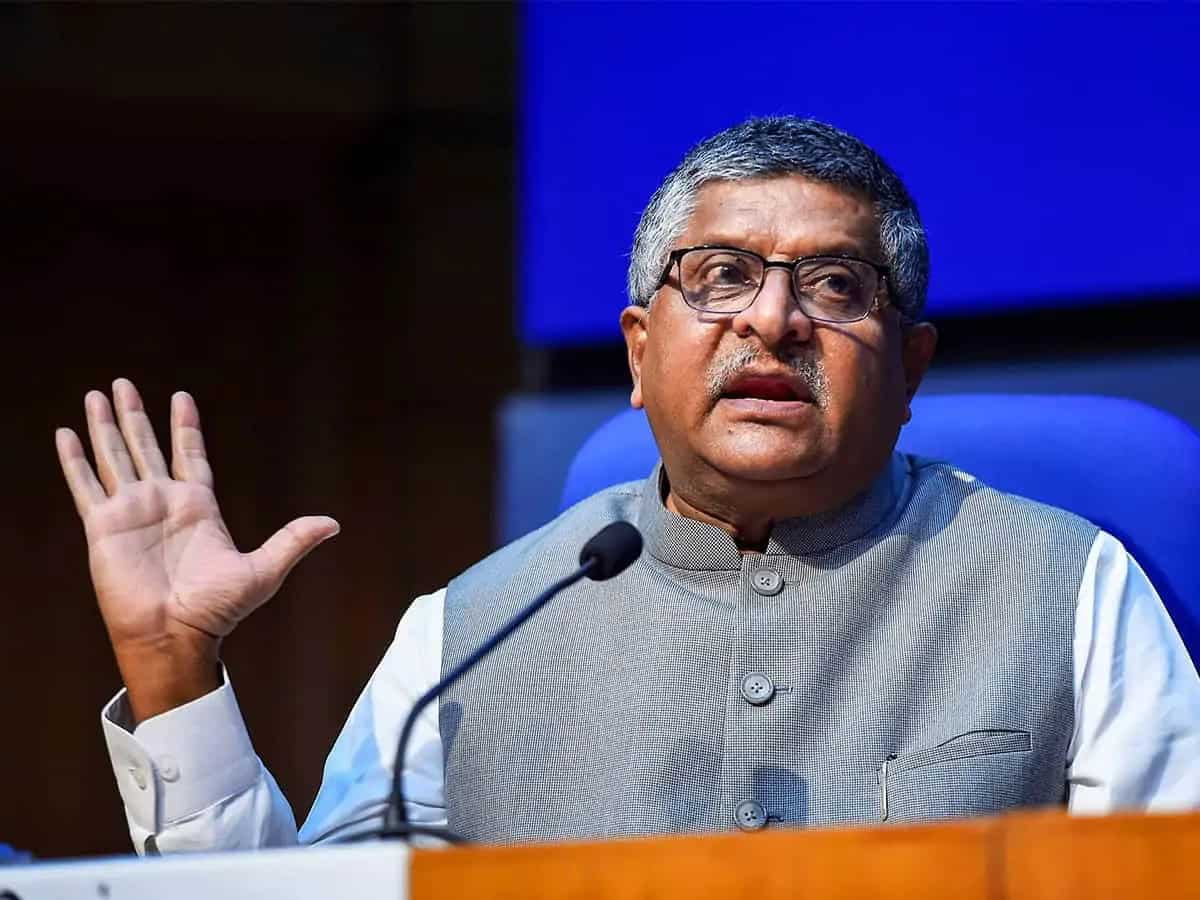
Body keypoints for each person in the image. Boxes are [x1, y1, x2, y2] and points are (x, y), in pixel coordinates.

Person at [57, 117, 1200, 852]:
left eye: (835, 286)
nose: (772, 320)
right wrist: (173, 669)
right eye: (722, 276)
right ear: (640, 353)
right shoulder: (469, 633)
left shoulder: (1073, 586)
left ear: (911, 367)